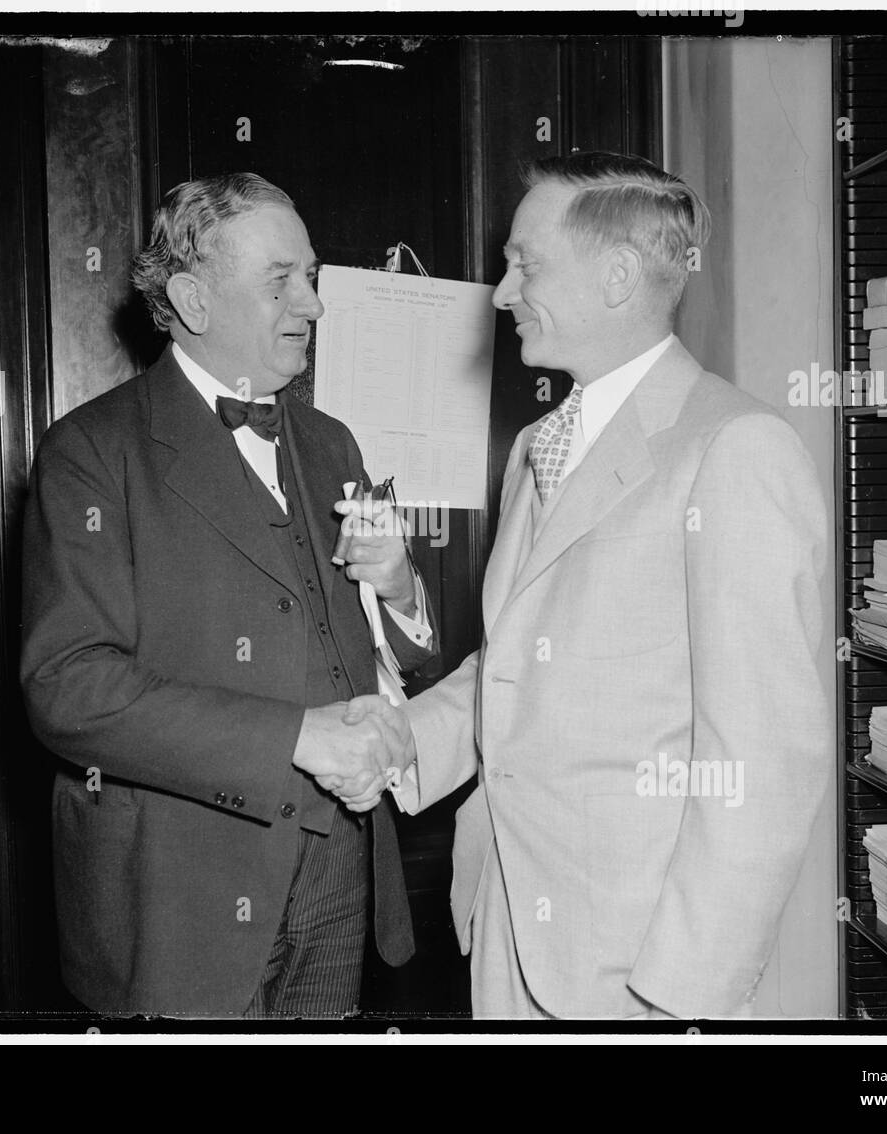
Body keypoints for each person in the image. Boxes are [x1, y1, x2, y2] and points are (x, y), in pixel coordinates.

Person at [345, 151, 832, 1019]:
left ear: (615, 277)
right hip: (509, 936)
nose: (498, 292)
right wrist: (401, 744)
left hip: (636, 973)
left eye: (524, 263)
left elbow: (763, 765)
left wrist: (682, 996)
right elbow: (518, 665)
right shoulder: (537, 445)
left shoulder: (736, 449)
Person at [20, 172, 435, 1018]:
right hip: (181, 901)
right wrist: (296, 738)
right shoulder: (90, 453)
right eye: (282, 282)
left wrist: (399, 592)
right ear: (192, 300)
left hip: (340, 871)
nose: (314, 305)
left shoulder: (331, 440)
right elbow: (68, 690)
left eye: (311, 277)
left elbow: (388, 654)